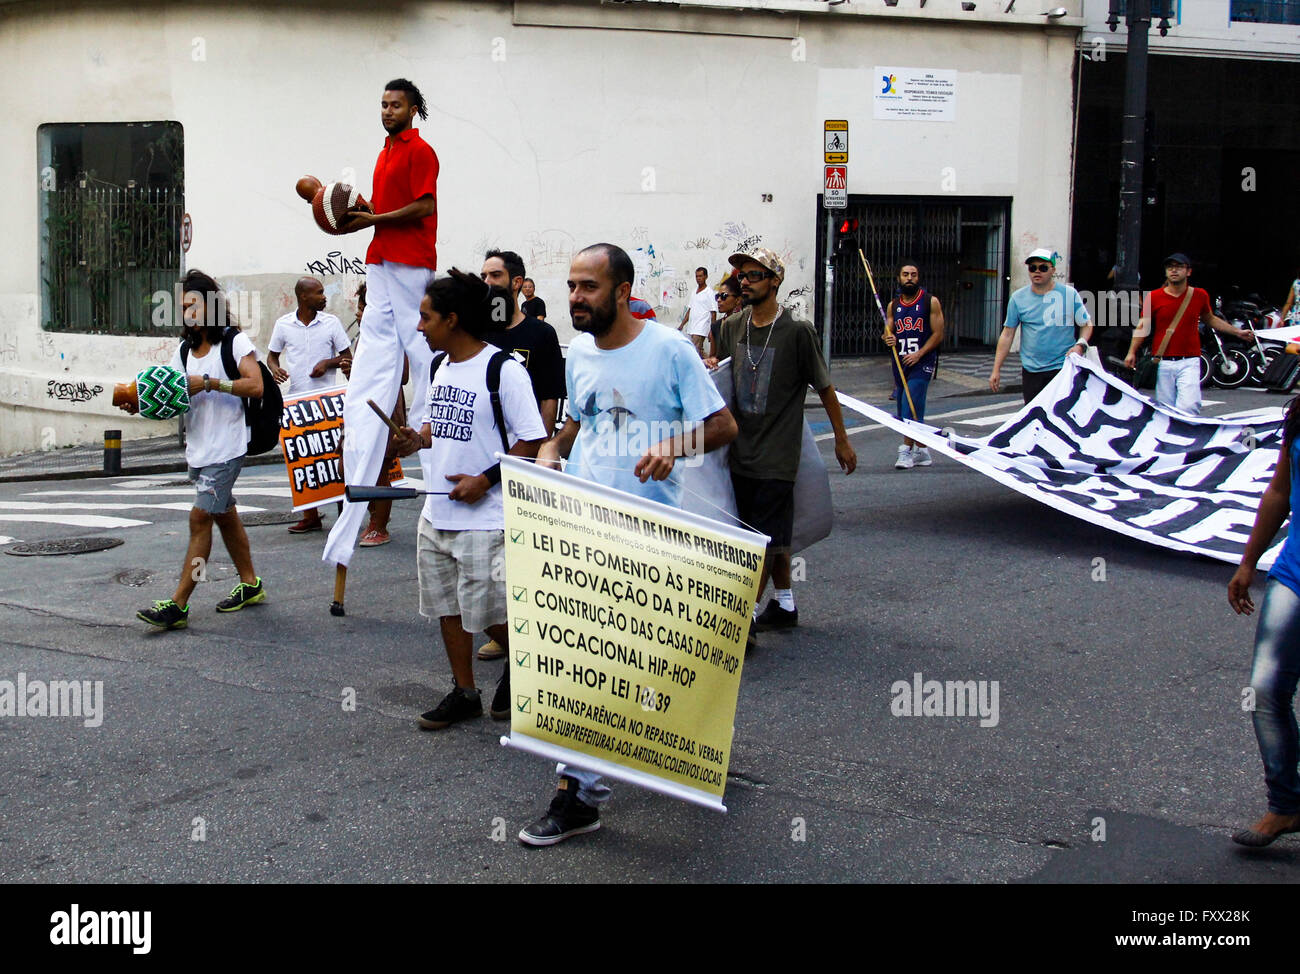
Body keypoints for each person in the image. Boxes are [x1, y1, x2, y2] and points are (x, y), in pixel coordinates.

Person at [518, 243, 738, 847]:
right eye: (571, 285)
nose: (575, 297)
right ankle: (579, 793)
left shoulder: (669, 349)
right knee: (587, 663)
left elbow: (723, 425)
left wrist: (673, 445)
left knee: (660, 661)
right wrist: (552, 450)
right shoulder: (580, 353)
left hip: (652, 536)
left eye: (588, 287)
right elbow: (578, 422)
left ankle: (697, 741)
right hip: (585, 529)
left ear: (621, 291)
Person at [392, 270, 548, 729]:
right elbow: (433, 425)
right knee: (447, 608)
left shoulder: (504, 370)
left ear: (453, 319)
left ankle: (529, 660)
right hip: (436, 513)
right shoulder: (437, 366)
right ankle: (465, 692)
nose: (419, 326)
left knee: (487, 612)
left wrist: (485, 480)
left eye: (426, 317)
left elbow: (532, 439)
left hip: (486, 518)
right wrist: (416, 440)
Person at [706, 248, 857, 637]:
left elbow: (825, 388)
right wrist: (709, 364)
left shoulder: (797, 332)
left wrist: (841, 440)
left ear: (775, 281)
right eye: (741, 276)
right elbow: (721, 375)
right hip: (739, 451)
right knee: (761, 535)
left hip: (778, 455)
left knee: (760, 540)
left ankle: (744, 619)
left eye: (754, 275)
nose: (744, 281)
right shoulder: (731, 327)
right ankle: (785, 602)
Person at [323, 78, 439, 571]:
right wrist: (360, 212)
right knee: (373, 356)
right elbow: (385, 208)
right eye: (384, 104)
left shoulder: (421, 150)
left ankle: (433, 432)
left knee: (421, 350)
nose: (388, 111)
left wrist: (374, 219)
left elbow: (424, 206)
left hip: (411, 258)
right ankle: (360, 444)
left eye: (396, 105)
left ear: (413, 109)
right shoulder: (384, 152)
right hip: (380, 258)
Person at [124, 270, 266, 629]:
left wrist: (211, 383)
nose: (188, 313)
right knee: (224, 515)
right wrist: (138, 403)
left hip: (227, 449)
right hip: (200, 448)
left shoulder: (234, 342)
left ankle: (179, 604)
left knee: (200, 518)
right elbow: (170, 395)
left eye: (194, 305)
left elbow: (256, 386)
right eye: (184, 306)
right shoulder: (184, 351)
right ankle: (250, 584)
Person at [475, 249, 566, 664]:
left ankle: (534, 627)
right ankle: (504, 626)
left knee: (526, 545)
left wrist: (541, 446)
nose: (487, 282)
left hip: (525, 456)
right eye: (483, 275)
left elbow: (550, 395)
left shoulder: (540, 334)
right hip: (487, 457)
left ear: (516, 283)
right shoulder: (481, 331)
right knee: (493, 548)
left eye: (495, 275)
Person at [1228, 394, 1300, 846]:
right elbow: (1279, 491)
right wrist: (1248, 562)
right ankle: (1286, 805)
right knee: (1265, 691)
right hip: (1294, 575)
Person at [268, 276, 353, 534]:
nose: (324, 297)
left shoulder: (331, 323)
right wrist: (275, 370)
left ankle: (343, 513)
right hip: (297, 402)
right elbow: (272, 356)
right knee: (304, 460)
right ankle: (311, 516)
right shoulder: (283, 324)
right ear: (303, 297)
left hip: (328, 402)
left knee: (334, 457)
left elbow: (347, 357)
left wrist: (327, 363)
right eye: (318, 293)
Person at [1123, 253, 1250, 416]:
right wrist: (1131, 352)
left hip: (1189, 360)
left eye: (1179, 267)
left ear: (1188, 271)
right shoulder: (1153, 297)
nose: (1174, 270)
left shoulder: (1200, 295)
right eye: (1170, 267)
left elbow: (1210, 319)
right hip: (1163, 361)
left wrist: (1237, 332)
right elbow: (1142, 325)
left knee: (1189, 406)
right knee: (1165, 410)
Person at [989, 249, 1093, 404]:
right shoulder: (1018, 298)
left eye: (1043, 268)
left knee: (1061, 413)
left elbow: (1086, 324)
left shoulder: (1069, 294)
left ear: (1053, 270)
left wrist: (1080, 345)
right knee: (1034, 415)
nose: (1037, 271)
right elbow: (1007, 334)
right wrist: (996, 369)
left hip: (1063, 367)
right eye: (1032, 268)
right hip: (1032, 370)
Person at [883, 260, 945, 470]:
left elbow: (938, 334)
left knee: (911, 405)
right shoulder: (893, 305)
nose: (909, 278)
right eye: (905, 274)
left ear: (918, 278)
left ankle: (906, 451)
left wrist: (919, 354)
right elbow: (887, 331)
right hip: (901, 363)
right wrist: (888, 338)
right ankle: (923, 450)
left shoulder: (930, 302)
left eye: (913, 274)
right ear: (899, 278)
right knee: (906, 408)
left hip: (922, 362)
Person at [678, 266, 714, 358]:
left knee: (694, 352)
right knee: (698, 351)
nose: (698, 278)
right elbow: (690, 309)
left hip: (701, 327)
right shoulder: (694, 291)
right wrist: (682, 324)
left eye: (700, 276)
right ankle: (711, 362)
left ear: (706, 277)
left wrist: (712, 330)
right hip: (692, 327)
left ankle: (709, 362)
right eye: (697, 276)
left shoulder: (709, 292)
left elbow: (713, 312)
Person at [713, 274, 742, 352]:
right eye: (717, 296)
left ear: (738, 300)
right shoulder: (716, 326)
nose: (719, 300)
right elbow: (713, 355)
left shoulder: (745, 324)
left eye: (723, 296)